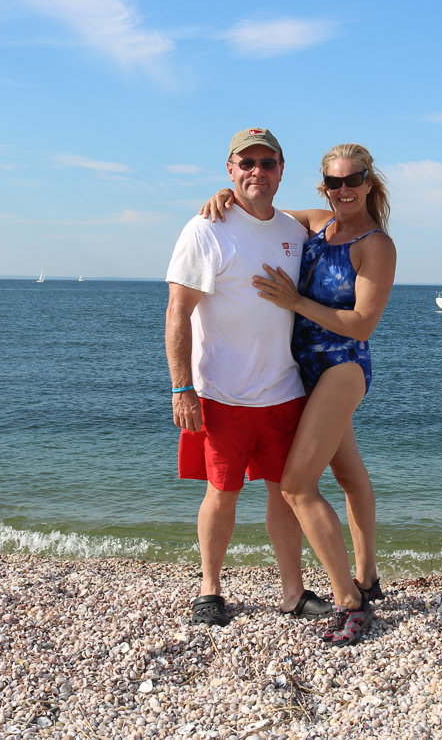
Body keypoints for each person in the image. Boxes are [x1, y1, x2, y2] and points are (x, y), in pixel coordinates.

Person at [202, 143, 396, 647]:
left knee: (295, 485)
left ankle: (350, 605)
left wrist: (295, 302)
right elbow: (260, 205)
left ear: (369, 183)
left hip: (342, 367)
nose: (344, 190)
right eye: (333, 183)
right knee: (350, 475)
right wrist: (226, 193)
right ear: (323, 187)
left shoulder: (376, 244)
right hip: (301, 372)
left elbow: (362, 322)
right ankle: (369, 578)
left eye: (353, 180)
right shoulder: (316, 223)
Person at [165, 127, 334, 627]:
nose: (256, 171)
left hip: (284, 389)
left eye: (267, 163)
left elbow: (339, 217)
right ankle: (210, 589)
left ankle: (292, 592)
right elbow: (178, 312)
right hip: (222, 392)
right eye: (246, 163)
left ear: (282, 170)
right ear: (230, 169)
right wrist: (181, 387)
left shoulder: (296, 229)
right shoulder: (204, 229)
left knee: (286, 490)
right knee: (222, 491)